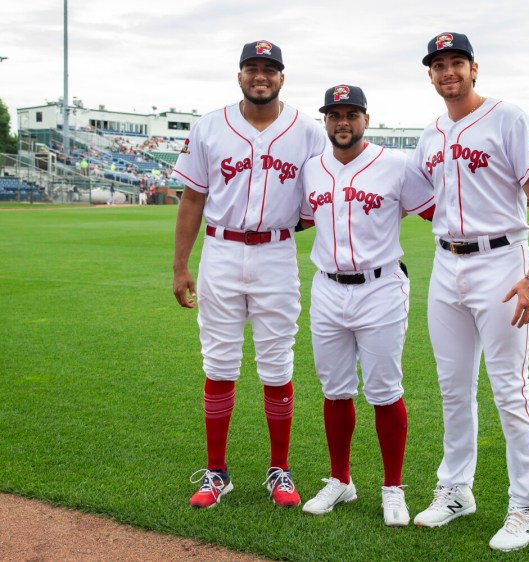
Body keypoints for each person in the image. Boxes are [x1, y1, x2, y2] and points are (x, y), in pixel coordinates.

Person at [411, 32, 529, 552]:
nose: (447, 71)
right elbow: (409, 195)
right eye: (438, 65)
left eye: (456, 62)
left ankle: (528, 505)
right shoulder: (429, 134)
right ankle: (456, 489)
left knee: (509, 389)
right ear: (429, 76)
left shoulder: (508, 117)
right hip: (446, 264)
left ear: (475, 69)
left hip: (502, 261)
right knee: (453, 388)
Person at [171, 39, 328, 510]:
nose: (260, 75)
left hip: (276, 255)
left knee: (278, 364)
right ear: (239, 75)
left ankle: (279, 468)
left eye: (270, 68)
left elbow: (320, 199)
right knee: (218, 362)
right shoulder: (209, 126)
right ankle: (216, 471)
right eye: (251, 68)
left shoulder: (308, 131)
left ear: (282, 76)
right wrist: (180, 265)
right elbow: (192, 199)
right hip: (220, 251)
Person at [298, 85, 435, 527]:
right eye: (335, 114)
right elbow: (299, 217)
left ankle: (393, 488)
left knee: (384, 390)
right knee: (335, 388)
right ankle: (341, 480)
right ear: (325, 121)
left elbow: (436, 210)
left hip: (380, 287)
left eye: (351, 113)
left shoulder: (395, 165)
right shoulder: (312, 169)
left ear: (366, 119)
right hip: (327, 286)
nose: (343, 122)